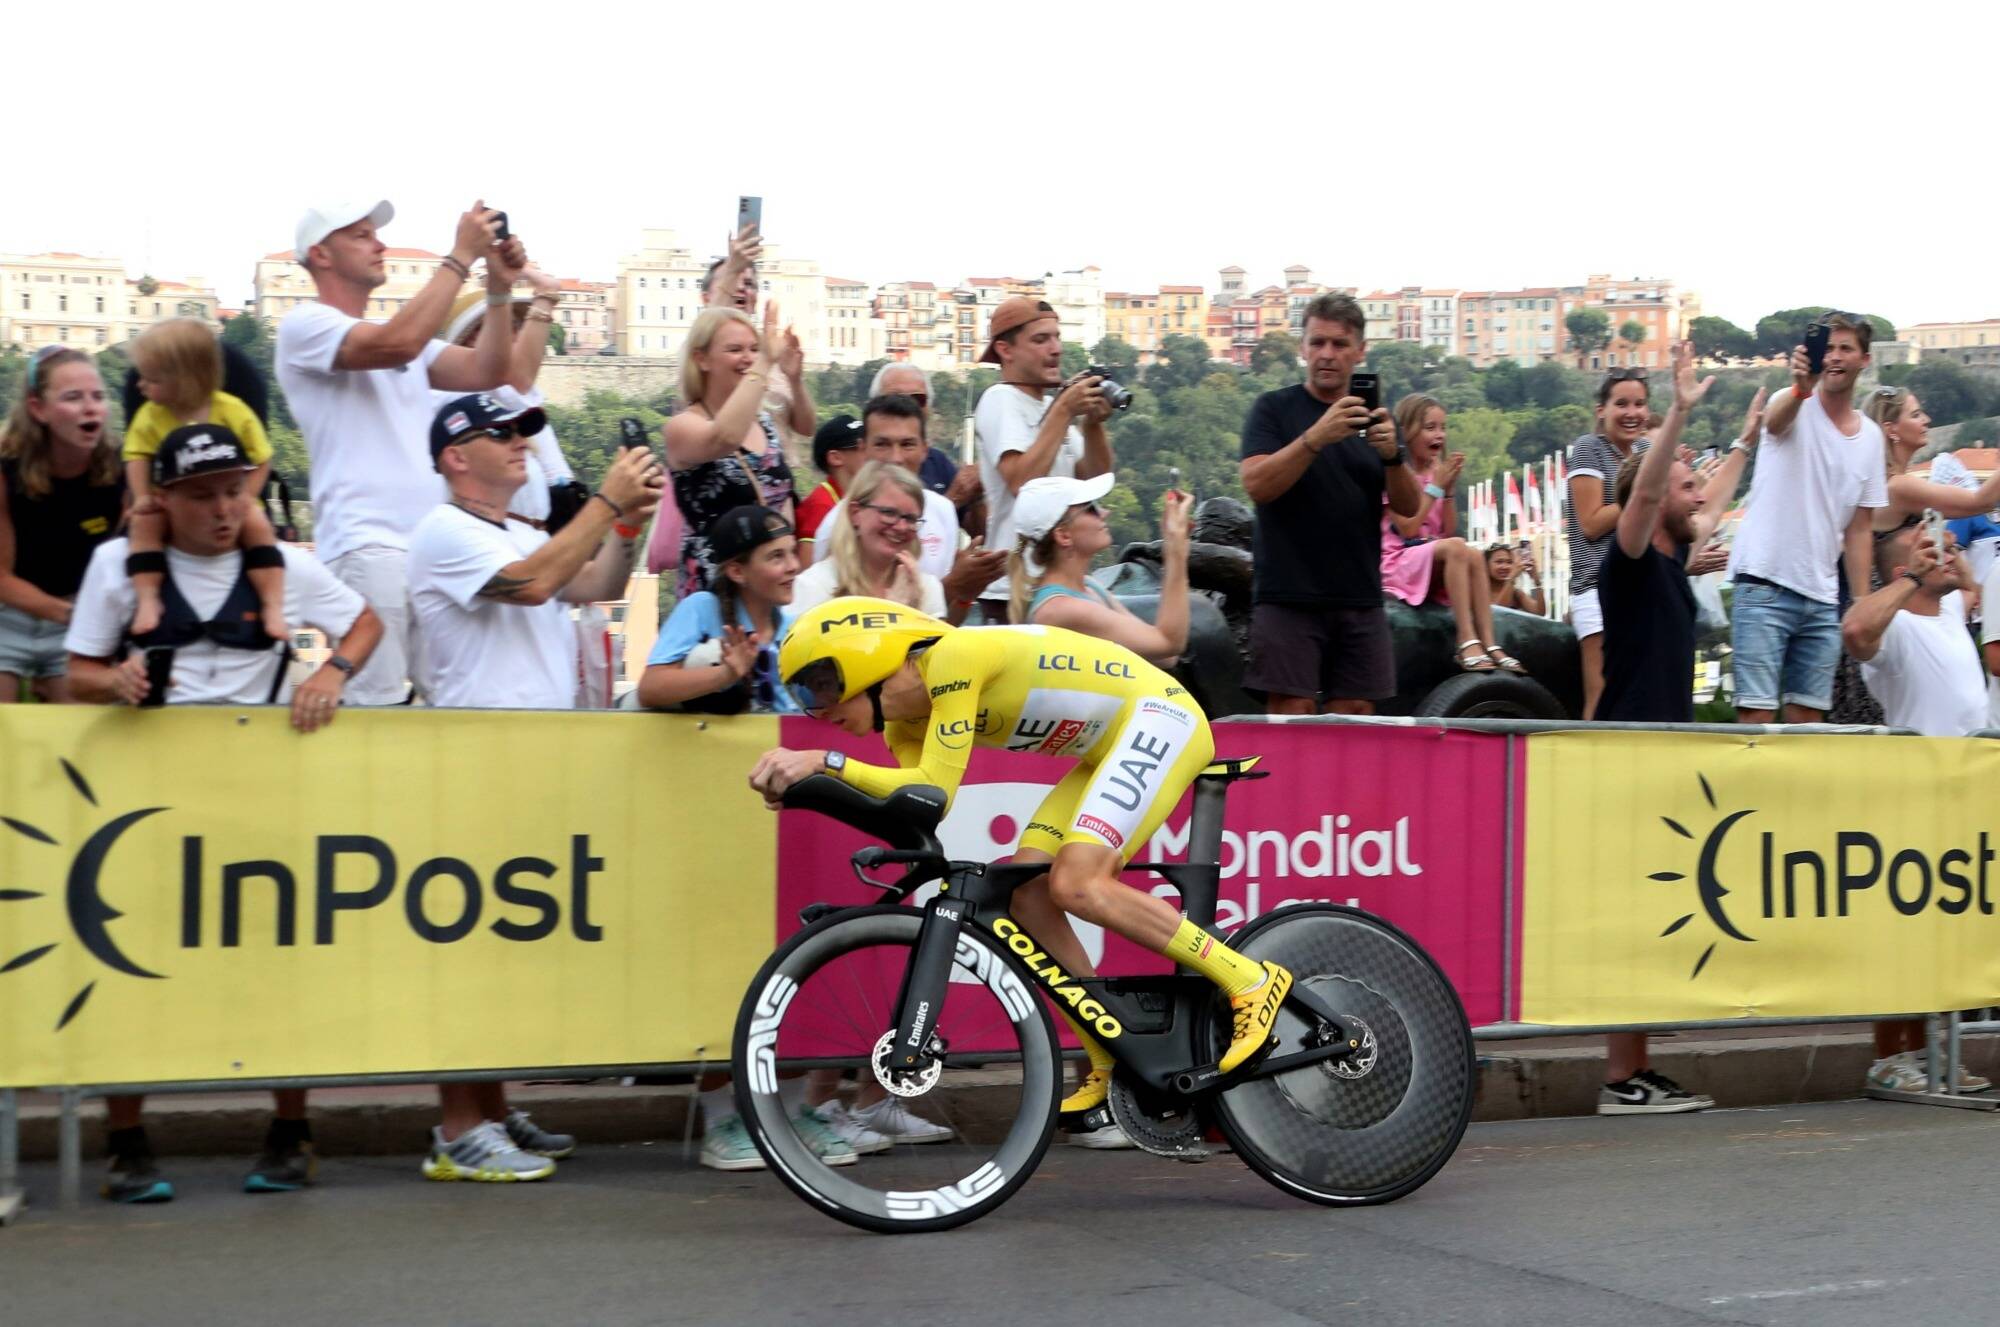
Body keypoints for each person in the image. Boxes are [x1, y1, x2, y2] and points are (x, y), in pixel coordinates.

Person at [756, 600, 1293, 1148]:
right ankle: (1109, 1057)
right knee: (1030, 895)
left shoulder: (951, 657)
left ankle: (1249, 980)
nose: (816, 709)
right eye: (803, 696)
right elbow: (919, 804)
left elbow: (935, 784)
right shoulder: (903, 723)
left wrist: (826, 762)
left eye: (820, 686)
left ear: (863, 661)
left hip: (1161, 716)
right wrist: (810, 792)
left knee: (1079, 883)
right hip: (1108, 746)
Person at [64, 423, 383, 1201]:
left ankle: (289, 1135)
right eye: (203, 495)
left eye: (235, 491)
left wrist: (331, 675)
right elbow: (76, 671)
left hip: (260, 801)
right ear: (163, 500)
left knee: (273, 971)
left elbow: (368, 622)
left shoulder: (283, 566)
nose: (223, 509)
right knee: (130, 966)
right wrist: (117, 685)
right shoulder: (118, 564)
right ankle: (127, 1144)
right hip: (146, 802)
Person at [405, 393, 662, 1180]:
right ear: (455, 455)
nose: (522, 444)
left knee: (504, 947)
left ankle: (487, 1104)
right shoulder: (443, 528)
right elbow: (533, 586)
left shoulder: (518, 529)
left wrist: (626, 524)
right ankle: (456, 1126)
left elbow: (595, 583)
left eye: (525, 433)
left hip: (528, 762)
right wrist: (605, 502)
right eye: (502, 435)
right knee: (470, 950)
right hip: (476, 764)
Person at [276, 198, 541, 705]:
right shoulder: (304, 325)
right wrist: (460, 256)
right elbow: (396, 344)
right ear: (321, 254)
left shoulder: (398, 336)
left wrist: (500, 287)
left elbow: (489, 372)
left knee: (455, 706)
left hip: (425, 551)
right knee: (375, 716)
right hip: (367, 545)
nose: (380, 244)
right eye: (360, 235)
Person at [1592, 344, 1751, 1115]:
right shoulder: (1627, 556)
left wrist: (1749, 436)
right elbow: (1655, 486)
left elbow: (1711, 500)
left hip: (1660, 753)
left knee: (1654, 915)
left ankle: (1636, 1068)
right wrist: (1678, 408)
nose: (1698, 492)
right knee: (1634, 916)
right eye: (1684, 483)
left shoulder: (1674, 556)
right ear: (1655, 501)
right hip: (1627, 750)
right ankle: (1621, 1077)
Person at [1239, 293, 1418, 715]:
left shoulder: (1375, 419)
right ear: (1302, 348)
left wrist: (1393, 455)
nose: (1327, 354)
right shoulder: (1274, 409)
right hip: (1288, 596)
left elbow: (1409, 509)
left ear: (1360, 352)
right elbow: (1257, 485)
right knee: (1291, 717)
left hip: (1360, 597)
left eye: (1339, 344)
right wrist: (1315, 438)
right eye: (1317, 342)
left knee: (1355, 725)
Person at [1728, 313, 1887, 724]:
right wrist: (1802, 387)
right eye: (1828, 348)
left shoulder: (1870, 437)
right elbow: (1774, 422)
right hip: (1765, 581)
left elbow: (1860, 527)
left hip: (1822, 597)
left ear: (1864, 360)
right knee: (1756, 720)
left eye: (1845, 349)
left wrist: (1861, 602)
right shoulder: (1794, 401)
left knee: (1809, 725)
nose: (1834, 357)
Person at [1832, 387, 1996, 725]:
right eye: (1916, 414)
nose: (1927, 420)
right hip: (1894, 619)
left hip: (1897, 610)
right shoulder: (1897, 487)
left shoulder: (1880, 485)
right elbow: (1980, 501)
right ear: (1891, 429)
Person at [123, 319, 285, 642]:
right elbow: (137, 456)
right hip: (171, 503)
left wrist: (246, 499)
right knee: (144, 527)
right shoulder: (149, 415)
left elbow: (262, 458)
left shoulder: (233, 411)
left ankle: (272, 603)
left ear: (182, 381)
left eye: (151, 379)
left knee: (259, 528)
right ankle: (148, 598)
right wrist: (142, 497)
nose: (139, 386)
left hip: (231, 502)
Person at [971, 297, 1115, 622]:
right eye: (1040, 340)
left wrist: (1092, 425)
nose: (1056, 349)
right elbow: (1022, 484)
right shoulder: (1000, 399)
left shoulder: (1049, 408)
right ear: (1005, 350)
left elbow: (1095, 481)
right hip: (1013, 590)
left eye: (1057, 337)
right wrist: (1064, 410)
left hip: (1053, 584)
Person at [0, 347, 126, 704]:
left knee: (74, 742)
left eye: (97, 397)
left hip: (76, 626)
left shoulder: (121, 473)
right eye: (73, 398)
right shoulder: (7, 471)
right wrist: (71, 613)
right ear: (38, 408)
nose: (90, 408)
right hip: (9, 617)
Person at [816, 394, 1006, 620]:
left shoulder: (943, 510)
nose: (896, 458)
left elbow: (943, 627)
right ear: (864, 449)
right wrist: (953, 585)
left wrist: (965, 593)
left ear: (925, 449)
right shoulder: (836, 524)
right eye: (882, 444)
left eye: (907, 445)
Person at [664, 305, 798, 597]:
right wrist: (764, 362)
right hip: (715, 589)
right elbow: (724, 438)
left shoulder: (764, 424)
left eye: (754, 348)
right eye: (735, 349)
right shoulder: (682, 427)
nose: (748, 358)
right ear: (701, 359)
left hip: (767, 586)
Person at [1381, 395, 1521, 673]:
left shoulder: (1437, 472)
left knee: (1471, 553)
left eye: (1442, 427)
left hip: (1427, 554)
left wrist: (1448, 491)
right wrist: (1435, 489)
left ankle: (1489, 642)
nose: (1439, 435)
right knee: (1457, 547)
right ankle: (1466, 639)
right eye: (1430, 427)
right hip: (1396, 560)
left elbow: (1446, 530)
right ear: (1408, 431)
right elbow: (1408, 528)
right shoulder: (1395, 474)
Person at [1012, 473, 1192, 668]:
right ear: (1064, 535)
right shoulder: (1061, 609)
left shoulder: (1088, 586)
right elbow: (1169, 644)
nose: (1105, 512)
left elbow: (1164, 656)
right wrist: (1175, 549)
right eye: (1092, 508)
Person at [637, 505, 801, 714]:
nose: (793, 566)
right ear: (737, 572)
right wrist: (725, 675)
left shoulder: (795, 628)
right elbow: (649, 689)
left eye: (793, 552)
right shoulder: (703, 609)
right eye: (777, 556)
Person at [1564, 369, 1654, 718]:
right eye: (1622, 404)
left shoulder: (1648, 450)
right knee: (1602, 694)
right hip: (1597, 584)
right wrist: (1642, 497)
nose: (1632, 413)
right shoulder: (1589, 448)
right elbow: (1590, 523)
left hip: (1644, 585)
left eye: (1639, 404)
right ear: (1601, 410)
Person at [790, 462, 947, 617]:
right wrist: (894, 613)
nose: (901, 527)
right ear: (855, 513)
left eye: (911, 519)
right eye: (889, 513)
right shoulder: (813, 586)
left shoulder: (927, 588)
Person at [872, 362, 983, 528]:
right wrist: (953, 499)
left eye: (917, 398)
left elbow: (978, 532)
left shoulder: (937, 461)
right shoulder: (862, 463)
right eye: (895, 398)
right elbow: (891, 532)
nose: (906, 405)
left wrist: (976, 493)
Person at [794, 415, 863, 556]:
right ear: (835, 457)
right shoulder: (821, 506)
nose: (872, 452)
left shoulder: (856, 499)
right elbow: (808, 570)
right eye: (861, 447)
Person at [1485, 544, 1545, 615]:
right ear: (1486, 565)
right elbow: (1497, 614)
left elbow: (1539, 613)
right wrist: (1511, 578)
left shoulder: (1515, 593)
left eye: (1509, 562)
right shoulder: (1479, 591)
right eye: (1499, 562)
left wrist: (1537, 581)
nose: (1505, 566)